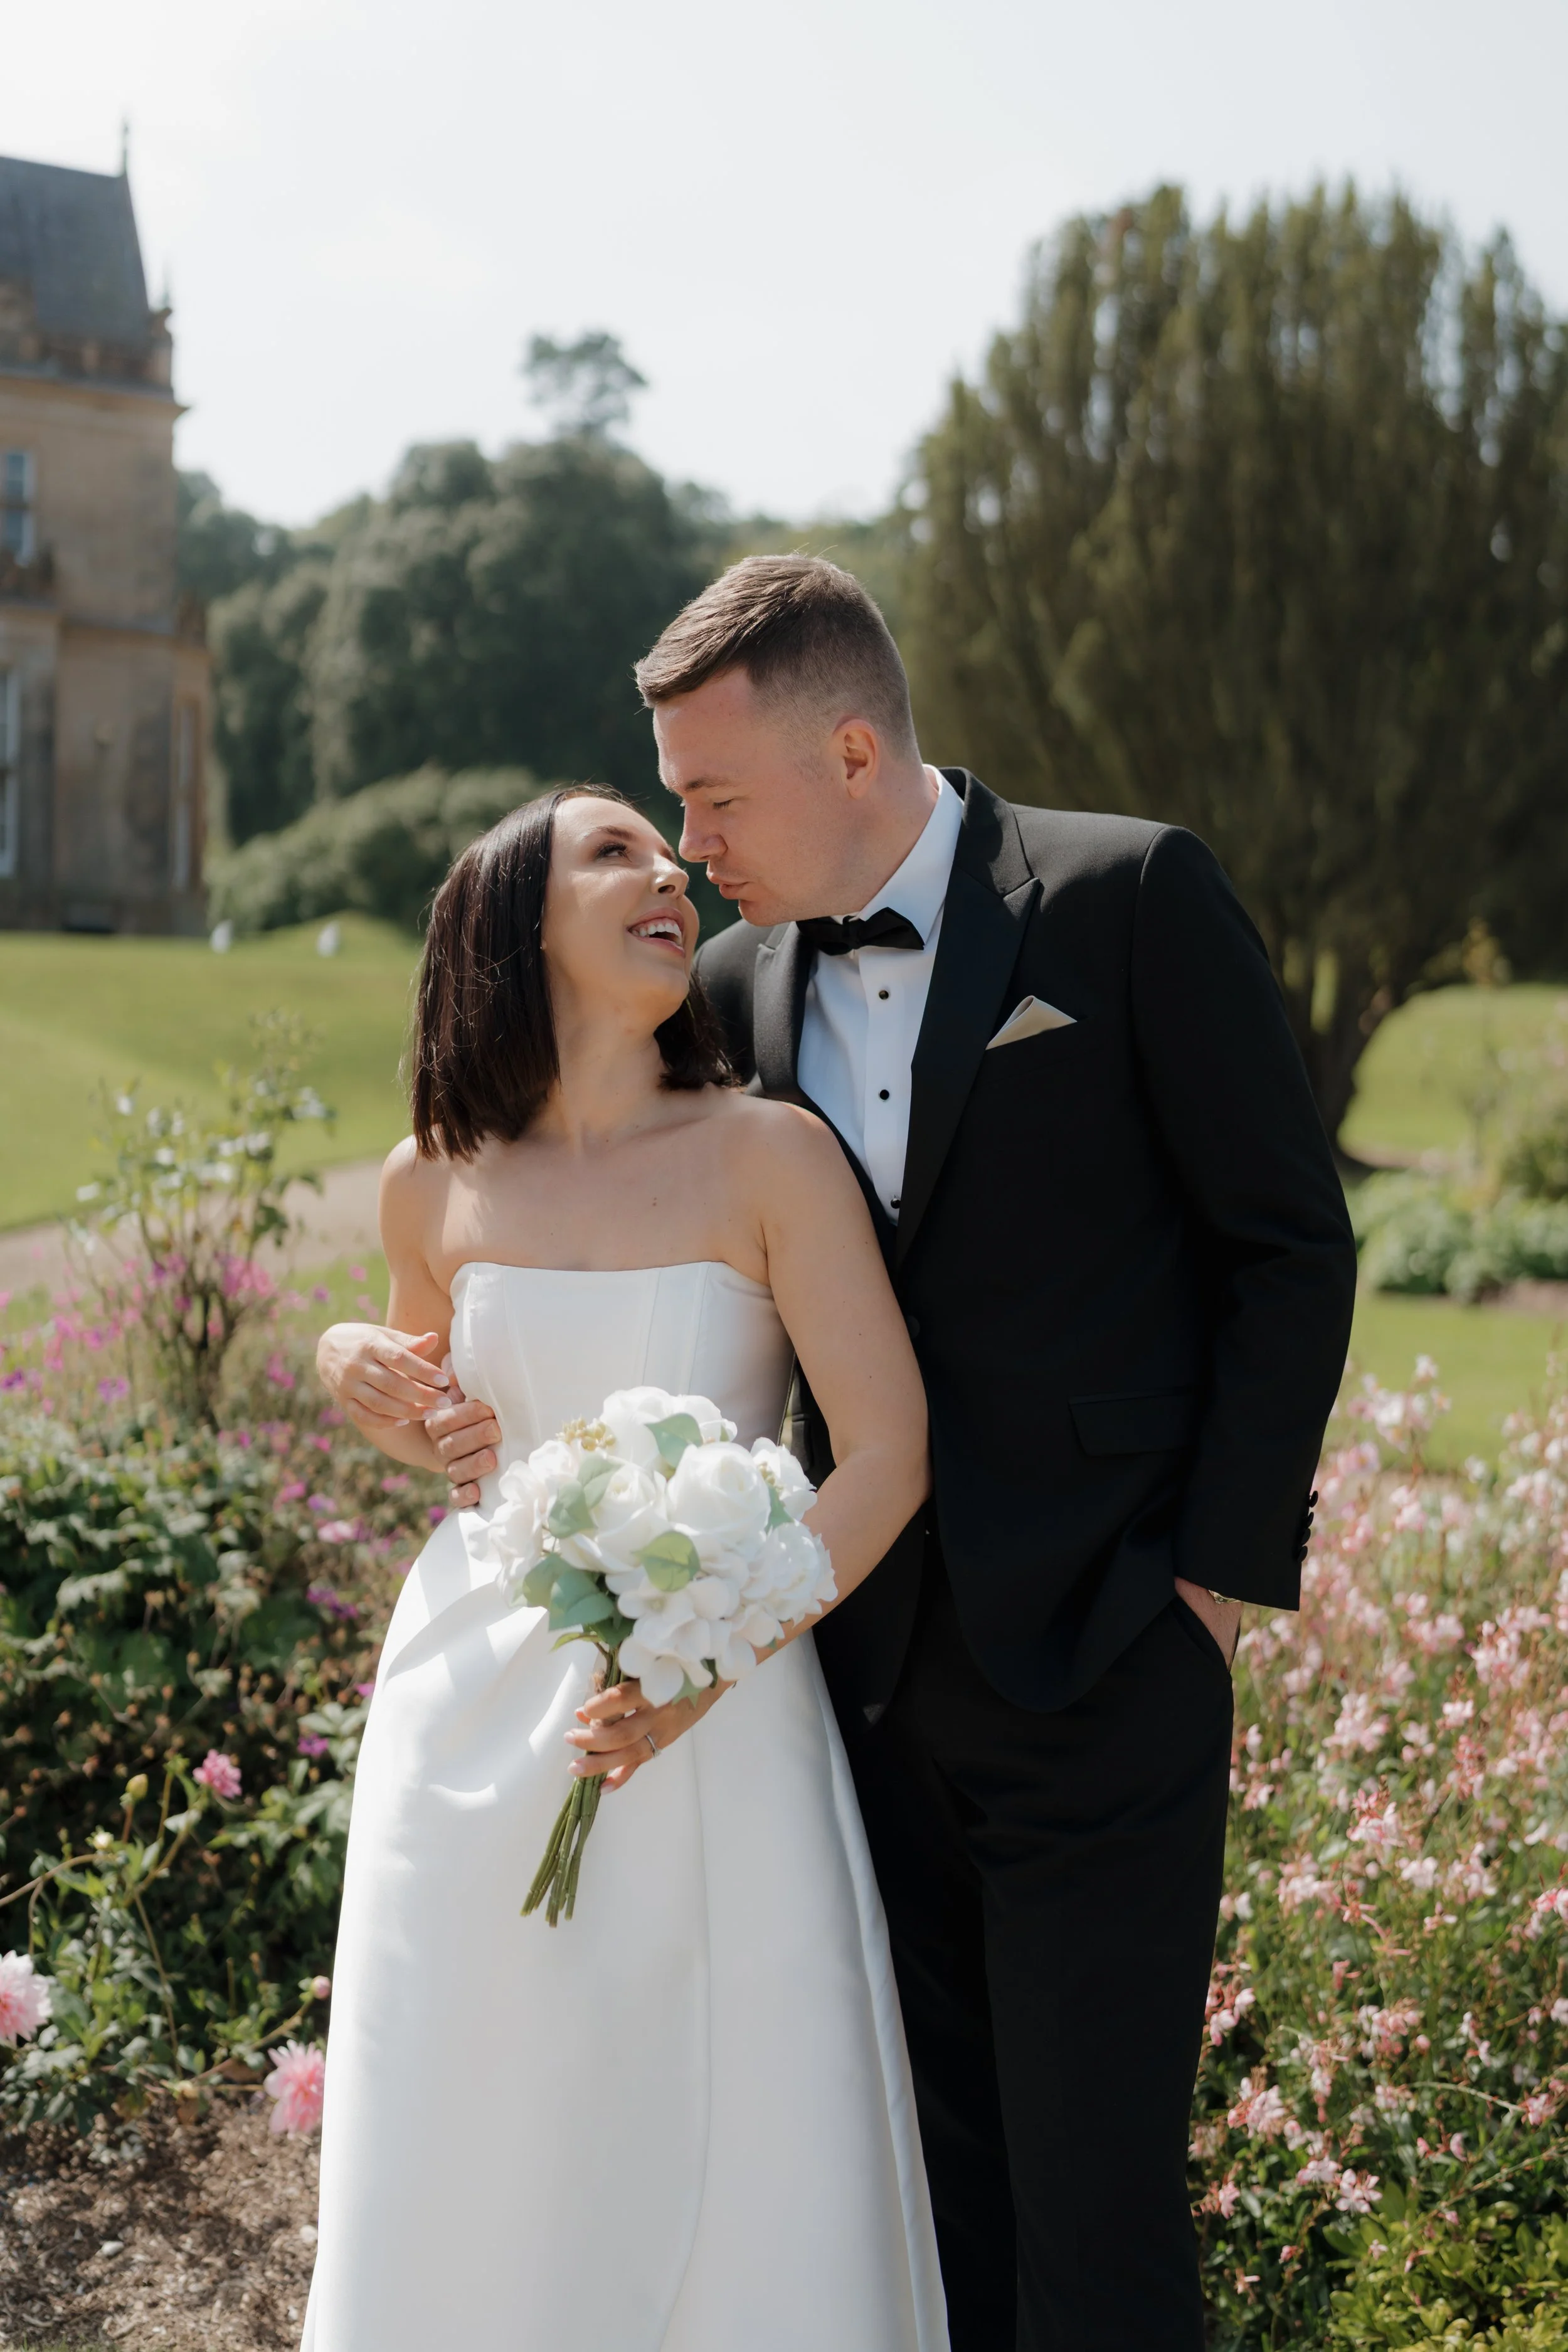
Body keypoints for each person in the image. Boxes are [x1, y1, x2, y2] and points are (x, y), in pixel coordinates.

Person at [322, 557, 1359, 2351]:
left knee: (1098, 2222)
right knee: (922, 2196)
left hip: (1104, 1651)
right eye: (657, 812)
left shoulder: (1122, 900)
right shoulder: (726, 984)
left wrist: (1211, 1577)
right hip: (847, 1692)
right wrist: (362, 1349)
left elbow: (1286, 1242)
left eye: (711, 798)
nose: (687, 840)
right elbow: (554, 1225)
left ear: (853, 746)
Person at [302, 786, 945, 2352]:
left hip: (718, 1717)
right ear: (510, 923)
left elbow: (886, 1456)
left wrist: (706, 1666)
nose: (667, 872)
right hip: (465, 1722)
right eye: (612, 853)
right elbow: (442, 1414)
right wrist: (350, 1365)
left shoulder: (767, 1157)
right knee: (483, 2114)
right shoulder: (430, 1177)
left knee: (730, 2119)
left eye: (668, 856)